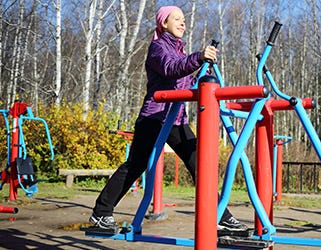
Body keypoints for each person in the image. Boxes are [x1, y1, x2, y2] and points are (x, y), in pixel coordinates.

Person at [89, 5, 247, 232]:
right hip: (154, 116)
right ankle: (101, 212)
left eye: (184, 20)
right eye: (177, 19)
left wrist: (201, 74)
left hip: (175, 118)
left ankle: (220, 215)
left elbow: (182, 77)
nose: (183, 23)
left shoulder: (179, 50)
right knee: (136, 165)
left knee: (199, 164)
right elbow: (171, 68)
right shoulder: (158, 48)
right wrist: (198, 57)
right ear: (164, 23)